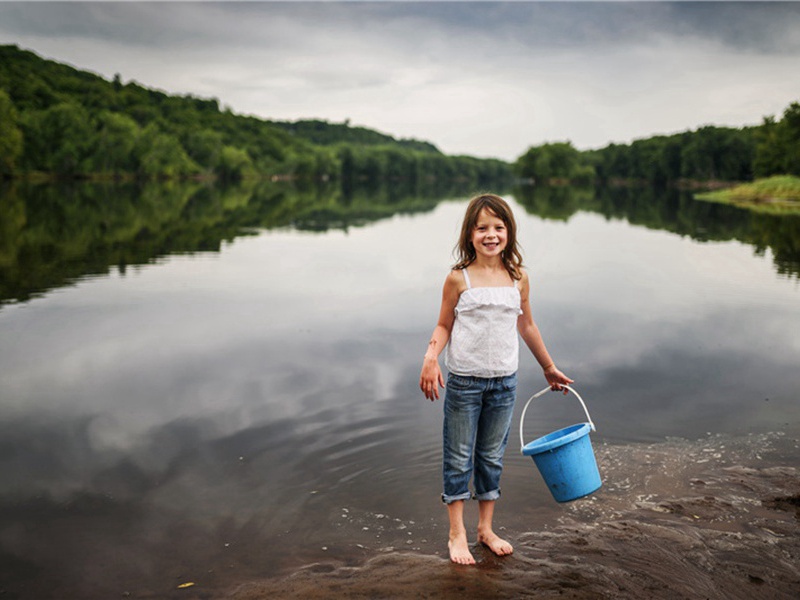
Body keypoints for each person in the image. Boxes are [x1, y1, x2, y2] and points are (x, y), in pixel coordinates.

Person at [419, 193, 573, 565]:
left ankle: (485, 529)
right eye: (482, 227)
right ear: (470, 234)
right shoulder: (459, 278)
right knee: (458, 458)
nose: (491, 235)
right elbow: (444, 324)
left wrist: (548, 366)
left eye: (498, 227)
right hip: (465, 383)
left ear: (509, 232)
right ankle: (457, 534)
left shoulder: (518, 278)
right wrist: (430, 357)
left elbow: (528, 325)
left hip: (504, 383)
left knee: (490, 457)